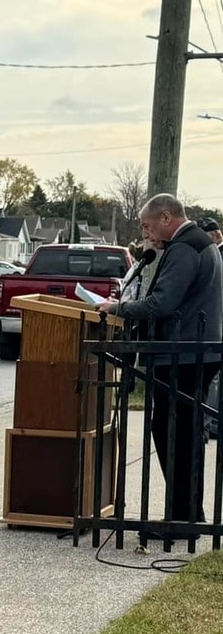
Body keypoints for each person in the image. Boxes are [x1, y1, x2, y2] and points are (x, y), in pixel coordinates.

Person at [98, 194, 223, 524]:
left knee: (175, 434)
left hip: (183, 354)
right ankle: (188, 514)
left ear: (166, 217)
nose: (147, 233)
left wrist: (118, 308)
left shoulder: (185, 247)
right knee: (181, 431)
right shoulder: (200, 242)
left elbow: (162, 303)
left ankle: (183, 519)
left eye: (147, 225)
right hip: (195, 351)